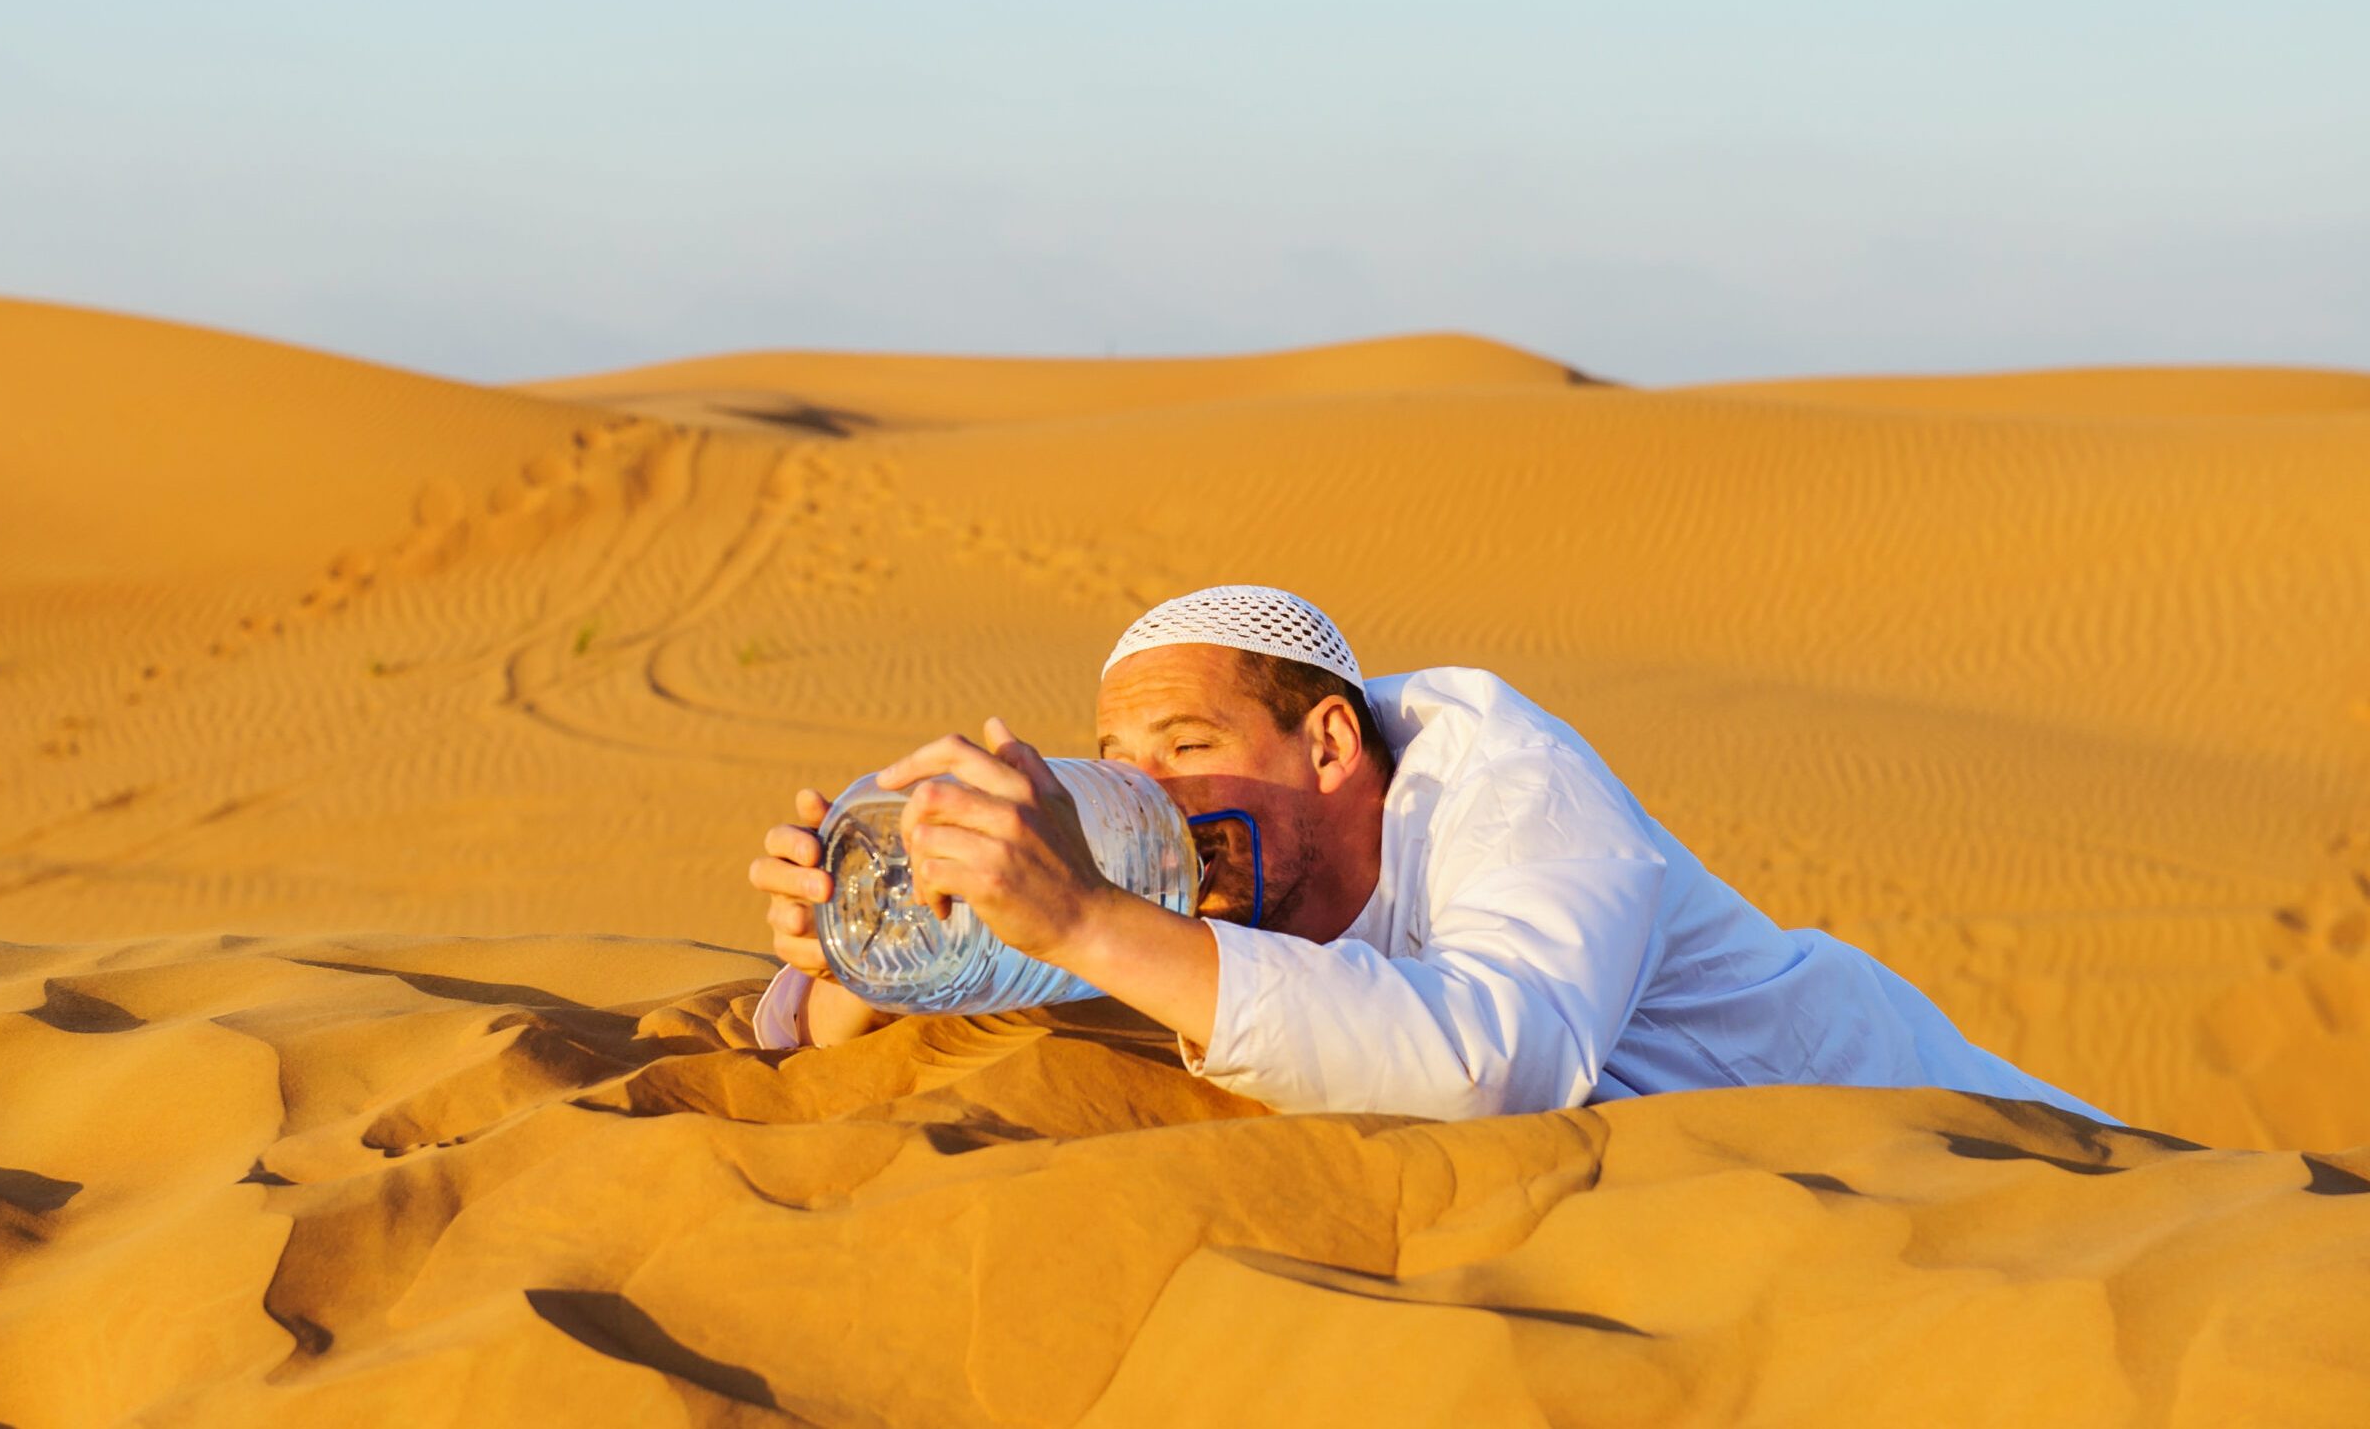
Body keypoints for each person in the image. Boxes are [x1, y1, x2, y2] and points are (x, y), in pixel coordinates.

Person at [746, 584, 2115, 1124]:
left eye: (1183, 741)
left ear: (1331, 745)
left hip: (1996, 1165)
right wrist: (855, 954)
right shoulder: (1201, 878)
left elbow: (1496, 1059)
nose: (1142, 787)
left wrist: (1091, 926)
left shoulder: (1517, 795)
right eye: (1120, 750)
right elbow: (827, 1017)